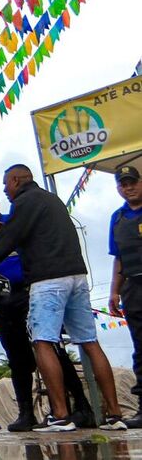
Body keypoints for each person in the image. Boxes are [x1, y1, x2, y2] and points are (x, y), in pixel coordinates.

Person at [0, 164, 126, 431]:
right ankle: (114, 416)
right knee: (88, 342)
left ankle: (62, 415)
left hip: (46, 282)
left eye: (5, 186)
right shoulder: (49, 200)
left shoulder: (23, 205)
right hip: (74, 276)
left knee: (43, 343)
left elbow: (8, 243)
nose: (5, 192)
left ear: (16, 180)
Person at [0, 189, 94, 430]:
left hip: (31, 291)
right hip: (4, 300)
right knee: (18, 361)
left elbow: (25, 244)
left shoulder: (16, 221)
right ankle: (26, 414)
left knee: (52, 348)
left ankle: (81, 407)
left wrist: (5, 231)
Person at [107, 164, 142, 428]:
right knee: (140, 348)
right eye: (123, 184)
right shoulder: (117, 218)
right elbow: (118, 257)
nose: (128, 187)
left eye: (132, 182)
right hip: (133, 287)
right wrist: (114, 291)